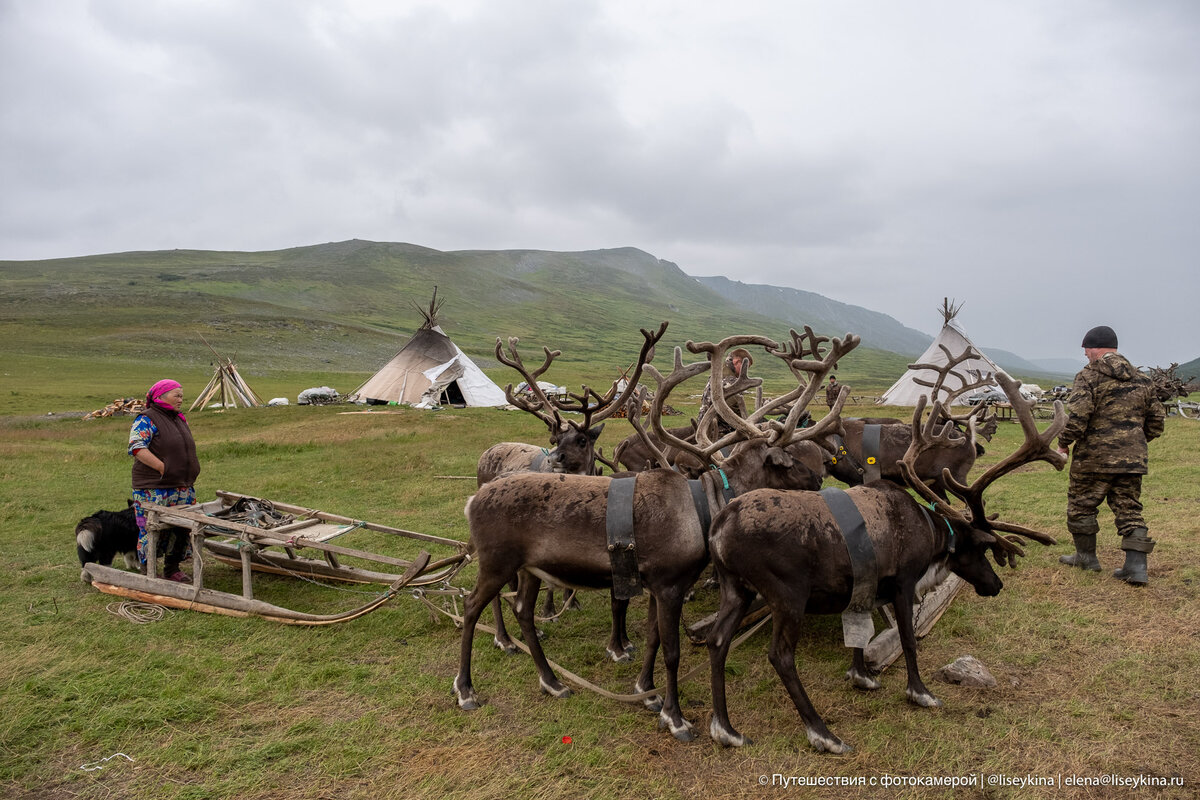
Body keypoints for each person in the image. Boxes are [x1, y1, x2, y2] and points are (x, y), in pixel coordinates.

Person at [1056, 326, 1165, 585]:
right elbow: (1157, 420)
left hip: (1093, 459)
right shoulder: (1143, 379)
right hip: (1132, 460)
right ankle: (1136, 569)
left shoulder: (1088, 376)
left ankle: (1086, 557)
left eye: (1086, 350)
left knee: (1082, 505)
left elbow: (1079, 416)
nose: (1085, 355)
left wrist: (1063, 444)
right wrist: (1134, 442)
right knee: (1129, 509)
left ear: (1095, 348)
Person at [129, 379, 201, 583]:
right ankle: (148, 570)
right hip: (154, 488)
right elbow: (137, 448)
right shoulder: (147, 419)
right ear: (160, 397)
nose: (181, 399)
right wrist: (163, 468)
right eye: (176, 395)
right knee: (153, 528)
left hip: (182, 485)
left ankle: (172, 569)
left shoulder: (179, 418)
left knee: (181, 527)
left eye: (181, 395)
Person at [698, 348, 753, 437]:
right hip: (720, 432)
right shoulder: (732, 382)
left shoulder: (718, 373)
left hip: (703, 426)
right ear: (737, 362)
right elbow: (731, 411)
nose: (746, 371)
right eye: (746, 366)